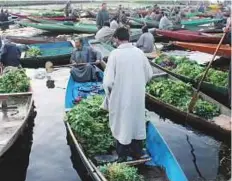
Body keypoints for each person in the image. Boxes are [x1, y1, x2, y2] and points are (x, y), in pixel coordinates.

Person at [102, 27, 153, 162]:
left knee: (122, 123)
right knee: (136, 121)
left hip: (120, 97)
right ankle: (138, 152)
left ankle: (122, 156)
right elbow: (149, 74)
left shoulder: (115, 55)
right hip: (137, 95)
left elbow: (108, 82)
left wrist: (109, 96)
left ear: (117, 39)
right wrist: (138, 86)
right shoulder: (139, 53)